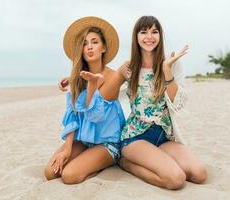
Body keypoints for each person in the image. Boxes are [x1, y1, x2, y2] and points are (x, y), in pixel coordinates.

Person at [58, 16, 207, 189]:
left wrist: (166, 70)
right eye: (143, 32)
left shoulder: (172, 64)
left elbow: (177, 103)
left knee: (199, 174)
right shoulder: (130, 68)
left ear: (160, 36)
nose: (149, 36)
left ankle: (148, 160)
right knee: (176, 179)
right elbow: (107, 84)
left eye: (154, 32)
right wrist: (73, 79)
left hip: (164, 137)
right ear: (136, 37)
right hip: (135, 137)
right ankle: (127, 164)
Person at [44, 16, 125, 184]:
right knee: (50, 172)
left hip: (107, 143)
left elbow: (94, 116)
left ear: (103, 48)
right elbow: (72, 116)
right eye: (85, 43)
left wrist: (93, 86)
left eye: (94, 42)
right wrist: (67, 150)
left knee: (69, 175)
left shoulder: (113, 77)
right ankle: (84, 160)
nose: (89, 47)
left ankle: (100, 165)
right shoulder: (77, 79)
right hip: (84, 141)